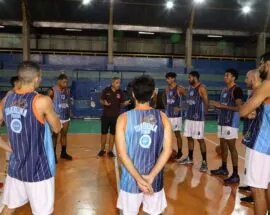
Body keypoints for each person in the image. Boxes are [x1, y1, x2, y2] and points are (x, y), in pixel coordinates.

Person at [0, 61, 61, 215]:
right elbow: (57, 128)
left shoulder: (5, 101)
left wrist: (9, 148)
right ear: (36, 78)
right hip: (38, 170)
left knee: (9, 207)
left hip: (16, 168)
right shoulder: (42, 101)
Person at [116, 75, 172, 215]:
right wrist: (150, 177)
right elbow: (168, 150)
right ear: (153, 93)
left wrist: (139, 179)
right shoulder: (163, 118)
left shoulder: (123, 119)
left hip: (130, 180)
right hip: (155, 180)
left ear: (133, 94)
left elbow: (122, 154)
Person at [240, 52, 270, 215]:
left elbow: (244, 110)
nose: (260, 68)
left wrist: (250, 109)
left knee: (258, 190)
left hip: (261, 143)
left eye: (261, 64)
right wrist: (259, 112)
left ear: (268, 64)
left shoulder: (267, 84)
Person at [210, 68, 243, 184]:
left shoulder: (237, 90)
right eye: (224, 75)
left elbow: (239, 108)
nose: (225, 77)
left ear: (233, 77)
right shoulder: (224, 90)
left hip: (231, 122)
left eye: (227, 75)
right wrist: (216, 105)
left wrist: (223, 107)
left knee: (231, 147)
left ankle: (235, 174)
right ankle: (224, 168)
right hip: (222, 121)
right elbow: (222, 105)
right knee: (223, 145)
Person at [239, 69, 262, 204]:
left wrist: (250, 113)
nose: (245, 80)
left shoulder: (260, 93)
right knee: (249, 164)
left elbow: (247, 112)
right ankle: (251, 186)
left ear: (253, 78)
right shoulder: (253, 93)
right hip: (250, 132)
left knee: (255, 166)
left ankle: (255, 194)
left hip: (257, 137)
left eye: (247, 78)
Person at [180, 71, 209, 172]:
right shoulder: (189, 88)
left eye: (190, 78)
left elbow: (206, 100)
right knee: (189, 137)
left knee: (200, 139)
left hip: (198, 118)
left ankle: (204, 163)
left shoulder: (201, 87)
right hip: (189, 117)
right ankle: (190, 158)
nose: (188, 79)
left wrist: (205, 113)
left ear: (195, 78)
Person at [98, 77, 130, 157]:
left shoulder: (120, 92)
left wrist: (125, 103)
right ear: (112, 83)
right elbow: (101, 100)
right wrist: (104, 103)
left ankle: (110, 151)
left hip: (115, 117)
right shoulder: (106, 90)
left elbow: (122, 103)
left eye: (119, 83)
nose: (118, 84)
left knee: (113, 134)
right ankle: (102, 150)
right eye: (117, 83)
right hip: (106, 116)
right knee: (104, 133)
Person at [48, 73, 73, 163]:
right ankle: (53, 154)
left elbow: (68, 101)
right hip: (56, 117)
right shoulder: (52, 91)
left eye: (66, 82)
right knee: (55, 136)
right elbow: (47, 102)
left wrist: (70, 110)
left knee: (64, 134)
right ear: (59, 81)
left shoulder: (67, 91)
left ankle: (63, 153)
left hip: (65, 116)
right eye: (63, 82)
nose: (65, 84)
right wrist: (49, 114)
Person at [162, 72, 186, 161]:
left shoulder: (180, 88)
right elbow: (163, 97)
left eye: (170, 78)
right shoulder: (166, 89)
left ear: (174, 79)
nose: (168, 80)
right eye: (167, 78)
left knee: (177, 134)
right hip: (168, 115)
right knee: (166, 134)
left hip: (176, 116)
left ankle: (180, 152)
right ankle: (166, 150)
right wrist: (165, 106)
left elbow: (190, 99)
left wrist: (181, 108)